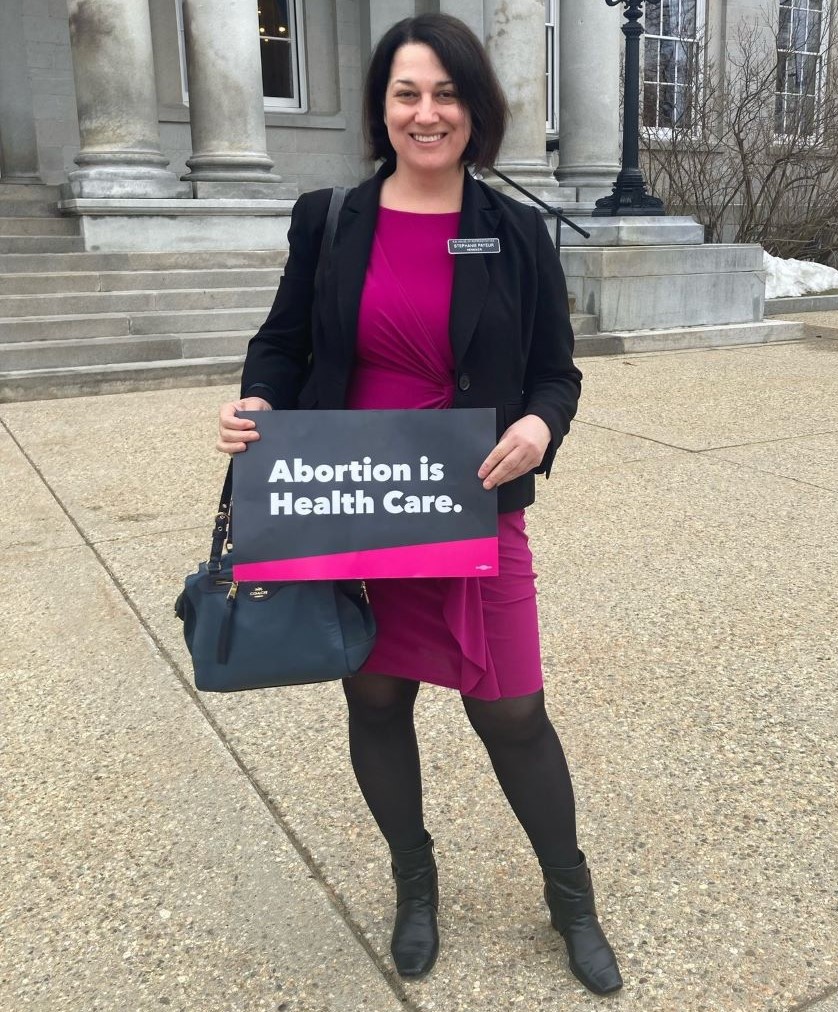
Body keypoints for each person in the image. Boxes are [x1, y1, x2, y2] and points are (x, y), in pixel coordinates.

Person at [216, 13, 621, 997]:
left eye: (445, 93)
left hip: (473, 507)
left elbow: (554, 376)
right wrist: (258, 402)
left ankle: (570, 897)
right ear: (381, 108)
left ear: (473, 111)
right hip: (356, 501)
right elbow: (281, 346)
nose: (425, 112)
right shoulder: (330, 220)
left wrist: (538, 426)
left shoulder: (515, 230)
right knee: (377, 695)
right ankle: (414, 881)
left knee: (512, 711)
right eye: (406, 93)